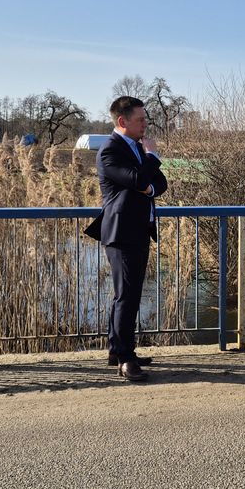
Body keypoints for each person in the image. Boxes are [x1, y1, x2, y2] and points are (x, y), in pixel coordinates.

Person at [84, 96, 168, 383]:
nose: (146, 123)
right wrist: (152, 159)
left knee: (129, 295)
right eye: (141, 119)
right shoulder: (110, 150)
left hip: (138, 230)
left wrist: (148, 184)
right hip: (121, 233)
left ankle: (116, 350)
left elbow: (159, 184)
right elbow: (136, 180)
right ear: (123, 121)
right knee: (127, 296)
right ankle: (125, 358)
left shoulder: (135, 148)